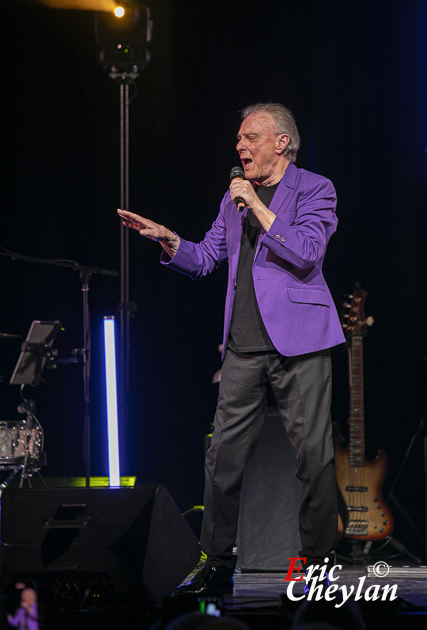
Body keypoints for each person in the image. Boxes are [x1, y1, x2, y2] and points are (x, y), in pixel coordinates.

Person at [118, 102, 345, 595]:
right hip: (242, 348)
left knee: (314, 461)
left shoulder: (315, 189)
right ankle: (217, 567)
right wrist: (168, 240)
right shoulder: (231, 200)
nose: (240, 147)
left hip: (300, 344)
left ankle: (320, 571)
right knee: (222, 461)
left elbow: (308, 253)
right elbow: (204, 259)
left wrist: (259, 207)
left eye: (250, 138)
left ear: (281, 142)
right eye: (238, 140)